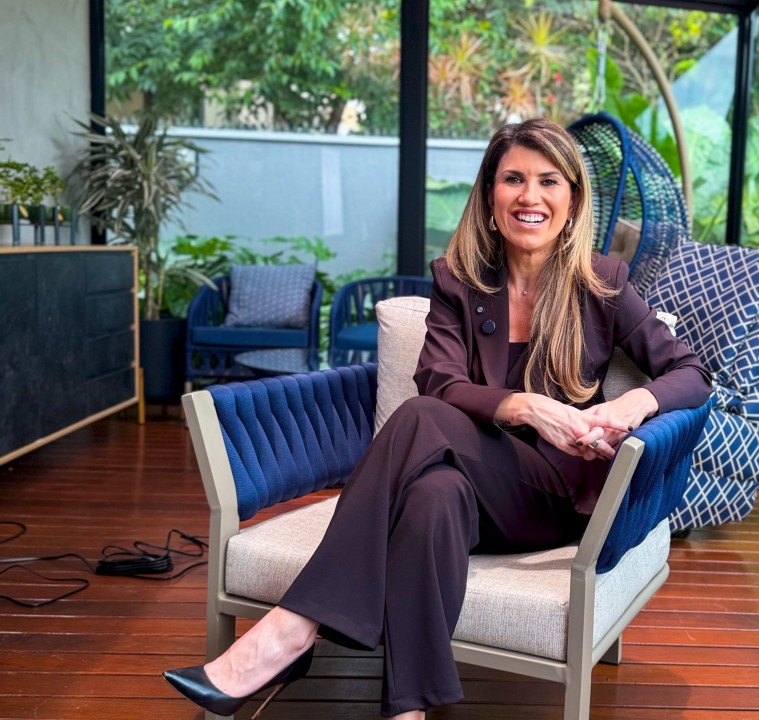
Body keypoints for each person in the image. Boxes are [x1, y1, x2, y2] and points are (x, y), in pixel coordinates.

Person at [163, 117, 713, 719]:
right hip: (475, 493)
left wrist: (631, 404)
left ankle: (290, 630)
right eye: (513, 179)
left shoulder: (602, 283)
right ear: (490, 195)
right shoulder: (459, 281)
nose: (529, 196)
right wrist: (528, 406)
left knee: (420, 418)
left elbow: (691, 372)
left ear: (573, 200)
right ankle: (408, 710)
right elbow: (440, 381)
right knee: (432, 496)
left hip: (553, 498)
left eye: (548, 181)